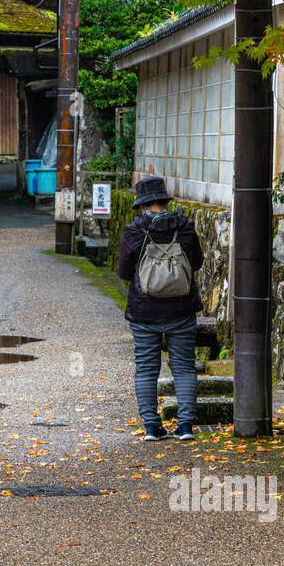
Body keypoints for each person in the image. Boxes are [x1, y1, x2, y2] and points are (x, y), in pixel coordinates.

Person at [117, 175, 204, 440]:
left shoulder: (135, 230)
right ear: (163, 201)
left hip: (145, 311)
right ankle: (186, 426)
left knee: (146, 367)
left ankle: (152, 427)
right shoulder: (185, 227)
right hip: (181, 309)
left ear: (143, 204)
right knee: (184, 366)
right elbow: (197, 262)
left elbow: (123, 271)